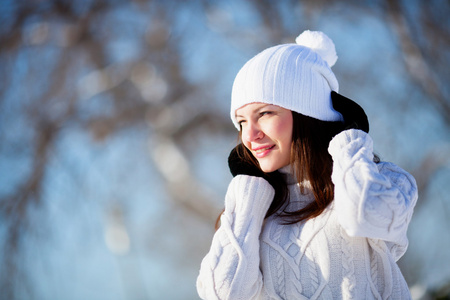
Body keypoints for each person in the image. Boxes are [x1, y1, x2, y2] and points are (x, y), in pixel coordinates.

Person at [196, 30, 418, 300]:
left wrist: (346, 139)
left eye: (264, 113)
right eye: (241, 121)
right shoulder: (254, 206)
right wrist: (248, 189)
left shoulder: (384, 179)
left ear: (307, 114)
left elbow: (367, 214)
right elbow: (223, 293)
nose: (249, 135)